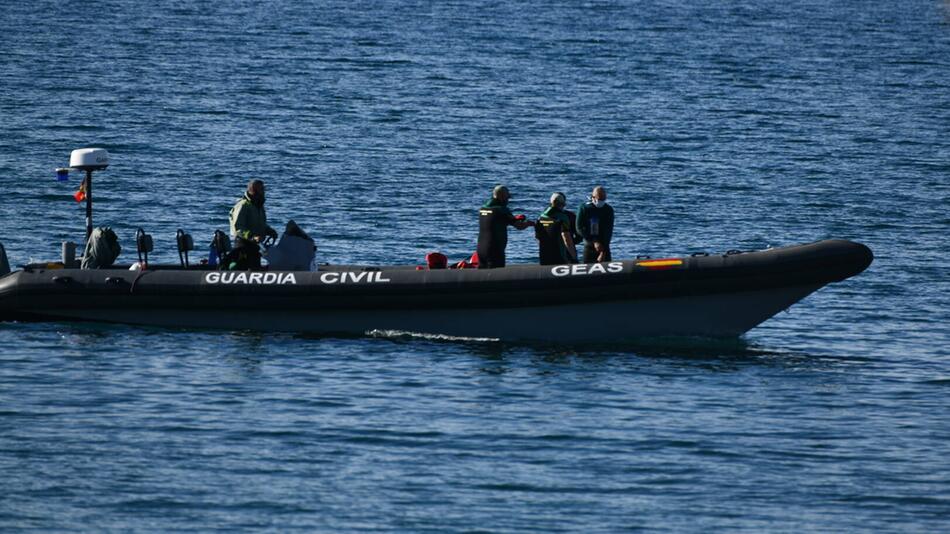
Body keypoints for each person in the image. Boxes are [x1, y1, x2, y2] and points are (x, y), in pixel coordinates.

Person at [227, 179, 279, 270]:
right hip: (243, 246)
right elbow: (238, 228)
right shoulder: (243, 205)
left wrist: (269, 231)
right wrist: (252, 237)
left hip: (255, 246)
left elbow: (260, 224)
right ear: (254, 190)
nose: (264, 191)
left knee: (256, 270)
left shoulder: (258, 206)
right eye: (262, 189)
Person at [477, 185, 533, 269]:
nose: (508, 200)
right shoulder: (502, 210)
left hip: (480, 250)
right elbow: (519, 226)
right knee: (496, 277)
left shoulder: (483, 209)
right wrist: (529, 223)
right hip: (495, 250)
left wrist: (513, 219)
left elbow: (494, 222)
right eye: (507, 198)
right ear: (502, 196)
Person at [535, 192, 579, 265]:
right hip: (560, 258)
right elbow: (566, 238)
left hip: (544, 257)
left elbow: (538, 238)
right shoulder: (563, 218)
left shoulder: (540, 217)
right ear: (564, 203)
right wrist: (574, 258)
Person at [577, 185, 614, 263]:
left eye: (603, 199)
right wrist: (594, 241)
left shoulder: (608, 210)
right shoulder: (584, 208)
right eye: (599, 199)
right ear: (593, 197)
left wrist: (603, 251)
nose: (601, 201)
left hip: (604, 247)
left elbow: (608, 231)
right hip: (589, 245)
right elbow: (579, 228)